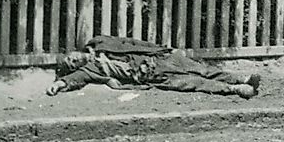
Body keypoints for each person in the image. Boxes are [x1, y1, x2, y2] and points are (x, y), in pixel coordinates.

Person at [47, 35, 261, 98]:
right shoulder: (90, 70)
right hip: (150, 75)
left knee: (202, 69)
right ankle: (235, 90)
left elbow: (132, 43)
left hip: (158, 58)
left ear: (74, 51)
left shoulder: (100, 42)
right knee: (192, 82)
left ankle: (240, 79)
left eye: (72, 57)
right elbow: (73, 80)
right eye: (71, 64)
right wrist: (59, 84)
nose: (75, 61)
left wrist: (161, 49)